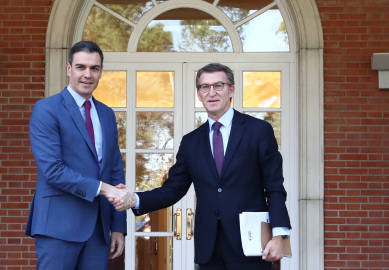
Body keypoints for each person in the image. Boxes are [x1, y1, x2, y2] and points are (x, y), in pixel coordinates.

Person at [113, 63, 291, 270]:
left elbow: (275, 187)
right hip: (209, 247)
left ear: (231, 90)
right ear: (199, 94)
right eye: (205, 87)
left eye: (218, 85)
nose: (211, 92)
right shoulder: (191, 142)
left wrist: (279, 236)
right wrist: (134, 199)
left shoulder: (258, 131)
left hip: (250, 245)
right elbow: (173, 190)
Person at [25, 41, 134, 269]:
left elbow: (115, 170)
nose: (87, 75)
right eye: (80, 67)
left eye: (94, 68)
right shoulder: (46, 109)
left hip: (98, 228)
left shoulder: (106, 114)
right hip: (58, 225)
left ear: (101, 72)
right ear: (68, 69)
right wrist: (105, 189)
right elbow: (53, 171)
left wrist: (118, 227)